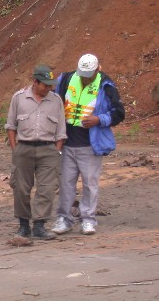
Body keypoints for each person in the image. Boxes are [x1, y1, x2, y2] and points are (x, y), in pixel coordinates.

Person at [51, 54, 125, 235]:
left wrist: (99, 119)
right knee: (66, 183)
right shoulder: (66, 79)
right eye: (82, 74)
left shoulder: (106, 85)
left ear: (97, 69)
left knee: (90, 184)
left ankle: (88, 219)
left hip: (91, 144)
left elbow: (118, 113)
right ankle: (64, 218)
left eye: (88, 75)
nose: (85, 78)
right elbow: (52, 99)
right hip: (67, 142)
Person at [5, 66, 67, 240]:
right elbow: (11, 126)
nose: (49, 88)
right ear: (35, 81)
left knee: (47, 188)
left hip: (49, 149)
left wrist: (57, 151)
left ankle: (39, 225)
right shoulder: (18, 98)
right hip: (23, 148)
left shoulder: (56, 100)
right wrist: (15, 149)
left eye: (50, 85)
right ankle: (23, 225)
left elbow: (61, 130)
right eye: (45, 85)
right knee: (21, 188)